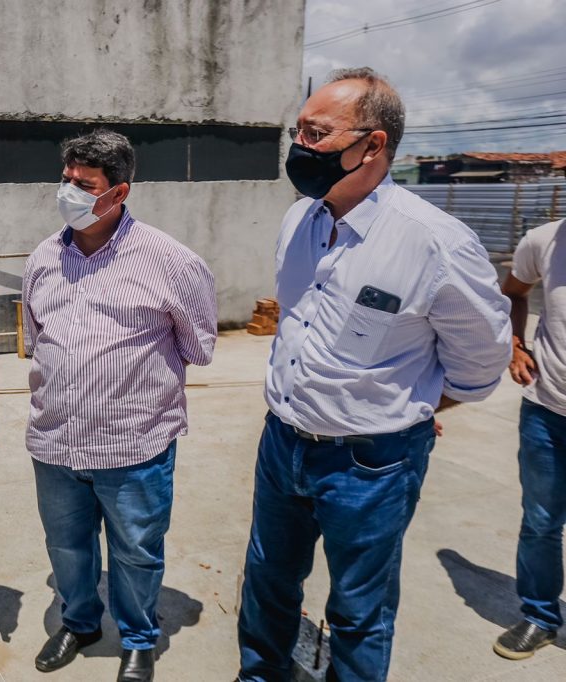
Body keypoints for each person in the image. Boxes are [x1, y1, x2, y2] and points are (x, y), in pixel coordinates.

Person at [235, 68, 512, 682]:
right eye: (298, 130)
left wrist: (410, 407)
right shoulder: (298, 221)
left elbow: (481, 361)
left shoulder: (434, 243)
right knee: (267, 581)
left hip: (372, 463)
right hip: (282, 442)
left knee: (359, 609)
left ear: (373, 145)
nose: (300, 146)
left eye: (317, 132)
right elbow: (297, 325)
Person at [22, 129, 218, 682]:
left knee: (135, 551)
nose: (70, 193)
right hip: (56, 444)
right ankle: (80, 622)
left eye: (85, 185)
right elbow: (39, 343)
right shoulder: (43, 258)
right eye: (66, 181)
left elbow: (198, 345)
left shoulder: (170, 260)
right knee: (67, 547)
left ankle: (138, 637)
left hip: (135, 447)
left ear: (120, 192)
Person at [494, 217, 566, 660]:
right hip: (547, 411)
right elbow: (513, 294)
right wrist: (515, 345)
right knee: (540, 523)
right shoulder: (543, 240)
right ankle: (539, 616)